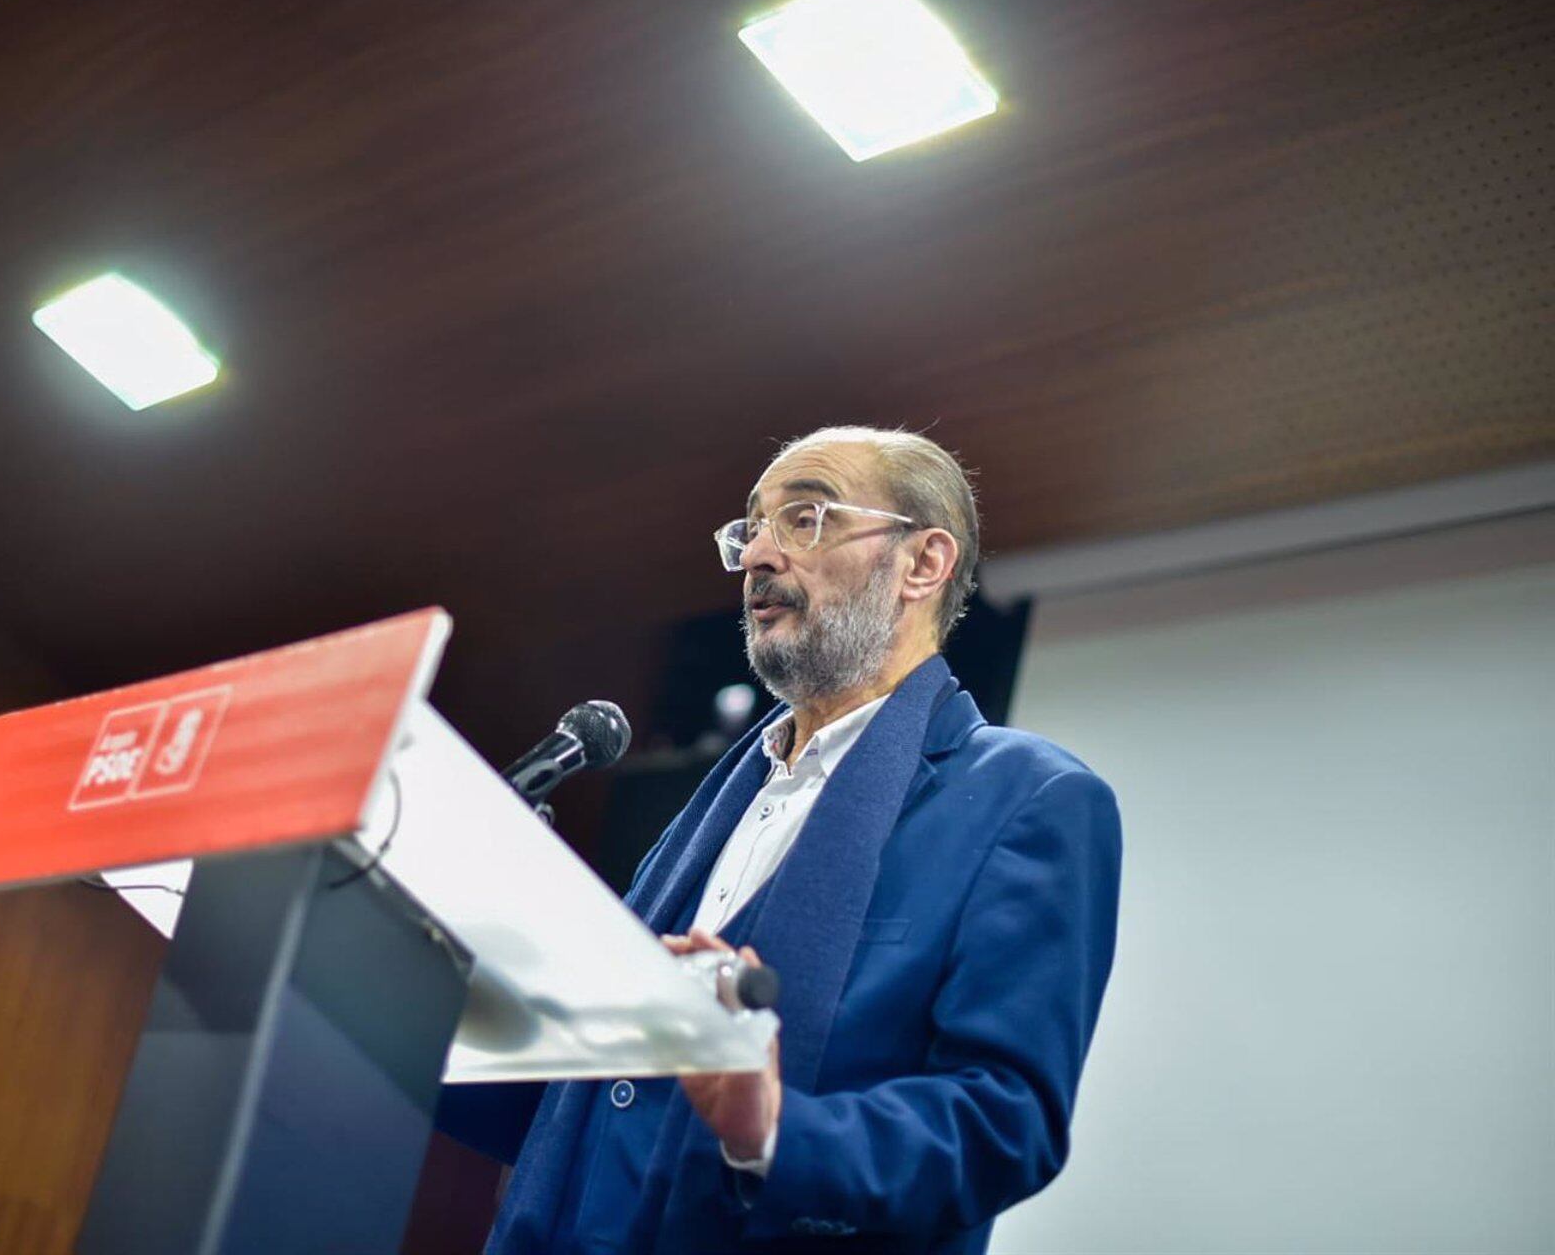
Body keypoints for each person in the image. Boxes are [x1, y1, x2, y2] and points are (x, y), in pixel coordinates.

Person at [438, 426, 1123, 1253]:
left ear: (923, 563)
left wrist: (772, 1130)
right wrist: (423, 992)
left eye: (806, 518)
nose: (759, 553)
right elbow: (587, 1097)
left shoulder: (1030, 800)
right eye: (752, 528)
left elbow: (999, 1126)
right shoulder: (723, 802)